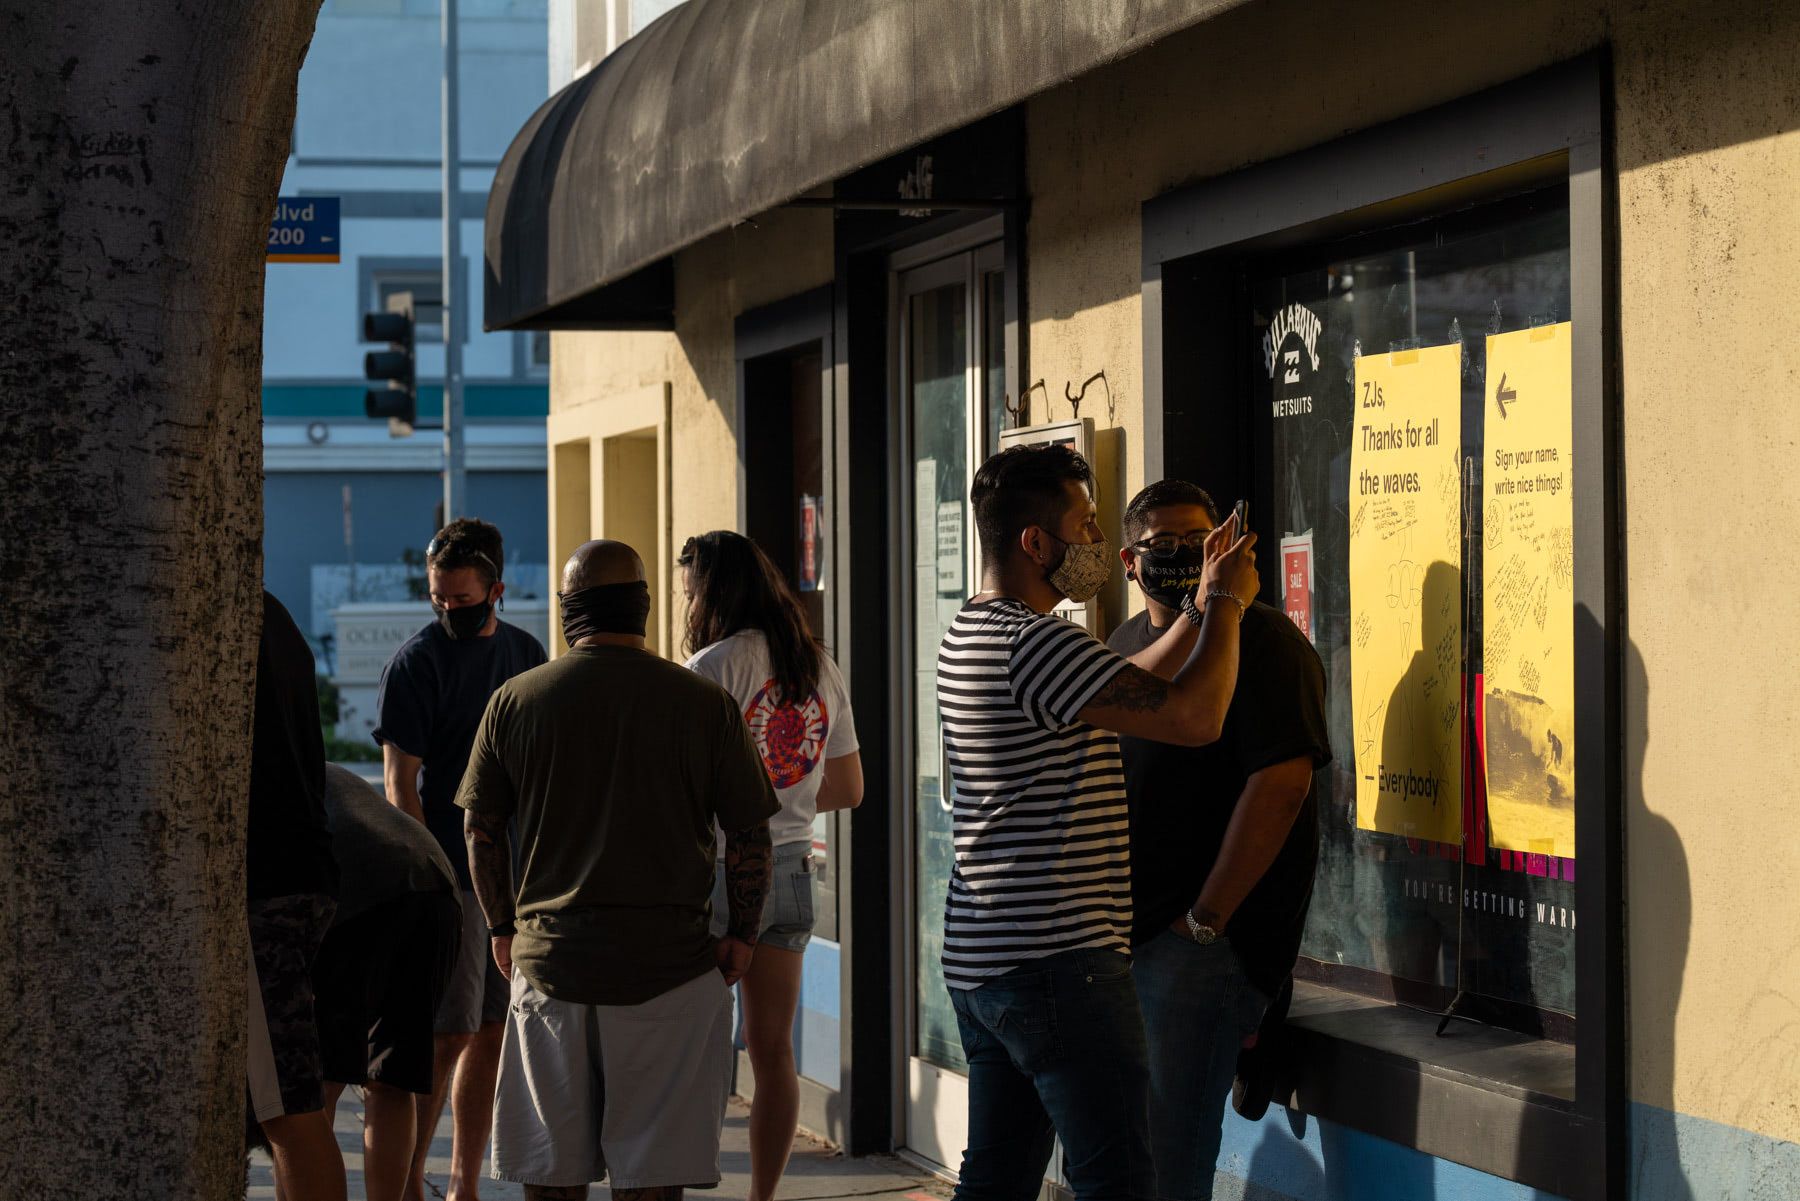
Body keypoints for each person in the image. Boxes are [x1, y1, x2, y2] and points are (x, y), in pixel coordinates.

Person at [935, 444, 1258, 1201]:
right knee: (1117, 1180)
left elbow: (1132, 680)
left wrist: (1196, 603)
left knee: (999, 1178)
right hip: (1062, 965)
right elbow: (1194, 714)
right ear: (1034, 543)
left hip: (988, 962)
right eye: (1082, 526)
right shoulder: (1034, 642)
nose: (1092, 545)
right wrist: (1232, 606)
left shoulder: (972, 633)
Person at [457, 539, 781, 1201]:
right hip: (672, 972)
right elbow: (750, 832)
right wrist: (743, 935)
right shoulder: (702, 702)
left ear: (567, 610)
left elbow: (481, 827)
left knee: (551, 1174)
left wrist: (500, 925)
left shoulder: (515, 701)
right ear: (644, 607)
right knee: (652, 1180)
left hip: (551, 969)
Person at [1107, 480, 1330, 1201]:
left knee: (1166, 1164)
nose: (1187, 559)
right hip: (1134, 944)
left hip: (1201, 949)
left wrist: (1204, 922)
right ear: (1128, 562)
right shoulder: (1124, 644)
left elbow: (1281, 788)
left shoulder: (1266, 644)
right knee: (1128, 1153)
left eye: (1202, 542)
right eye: (1163, 546)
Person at [679, 531, 863, 1201]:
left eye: (690, 590)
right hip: (790, 869)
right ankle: (763, 1194)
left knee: (690, 1050)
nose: (688, 603)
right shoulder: (818, 665)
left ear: (711, 592)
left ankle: (676, 1181)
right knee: (774, 1050)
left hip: (715, 871)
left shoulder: (711, 665)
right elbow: (849, 788)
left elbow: (684, 786)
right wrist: (790, 793)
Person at [372, 517, 546, 1201]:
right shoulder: (416, 664)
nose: (447, 610)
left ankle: (464, 1185)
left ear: (497, 589)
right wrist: (436, 877)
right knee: (445, 1036)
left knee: (492, 1032)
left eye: (462, 599)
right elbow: (398, 783)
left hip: (516, 881)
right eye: (436, 598)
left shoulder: (528, 656)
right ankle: (411, 1181)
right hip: (450, 878)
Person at [312, 764, 464, 1201]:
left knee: (313, 1089)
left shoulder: (247, 777)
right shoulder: (328, 772)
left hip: (358, 889)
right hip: (434, 883)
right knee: (392, 1080)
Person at [246, 590, 347, 1201]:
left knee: (287, 1110)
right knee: (283, 1106)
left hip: (269, 885)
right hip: (298, 876)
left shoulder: (227, 609)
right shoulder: (274, 616)